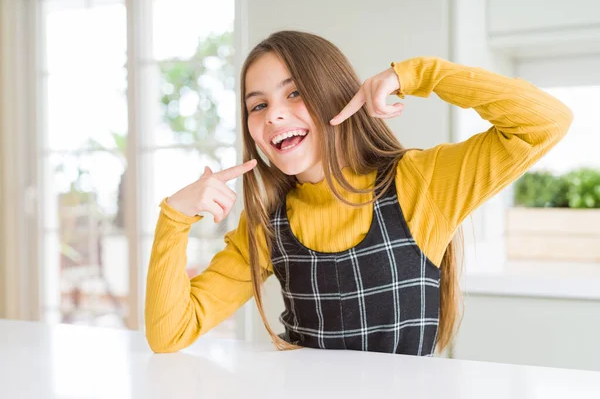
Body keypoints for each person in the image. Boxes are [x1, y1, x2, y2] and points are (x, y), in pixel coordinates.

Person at [144, 30, 573, 356]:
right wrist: (174, 216)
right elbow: (171, 334)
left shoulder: (417, 183)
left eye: (294, 93)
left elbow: (545, 122)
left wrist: (418, 74)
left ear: (335, 94)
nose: (274, 114)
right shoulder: (265, 223)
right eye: (257, 105)